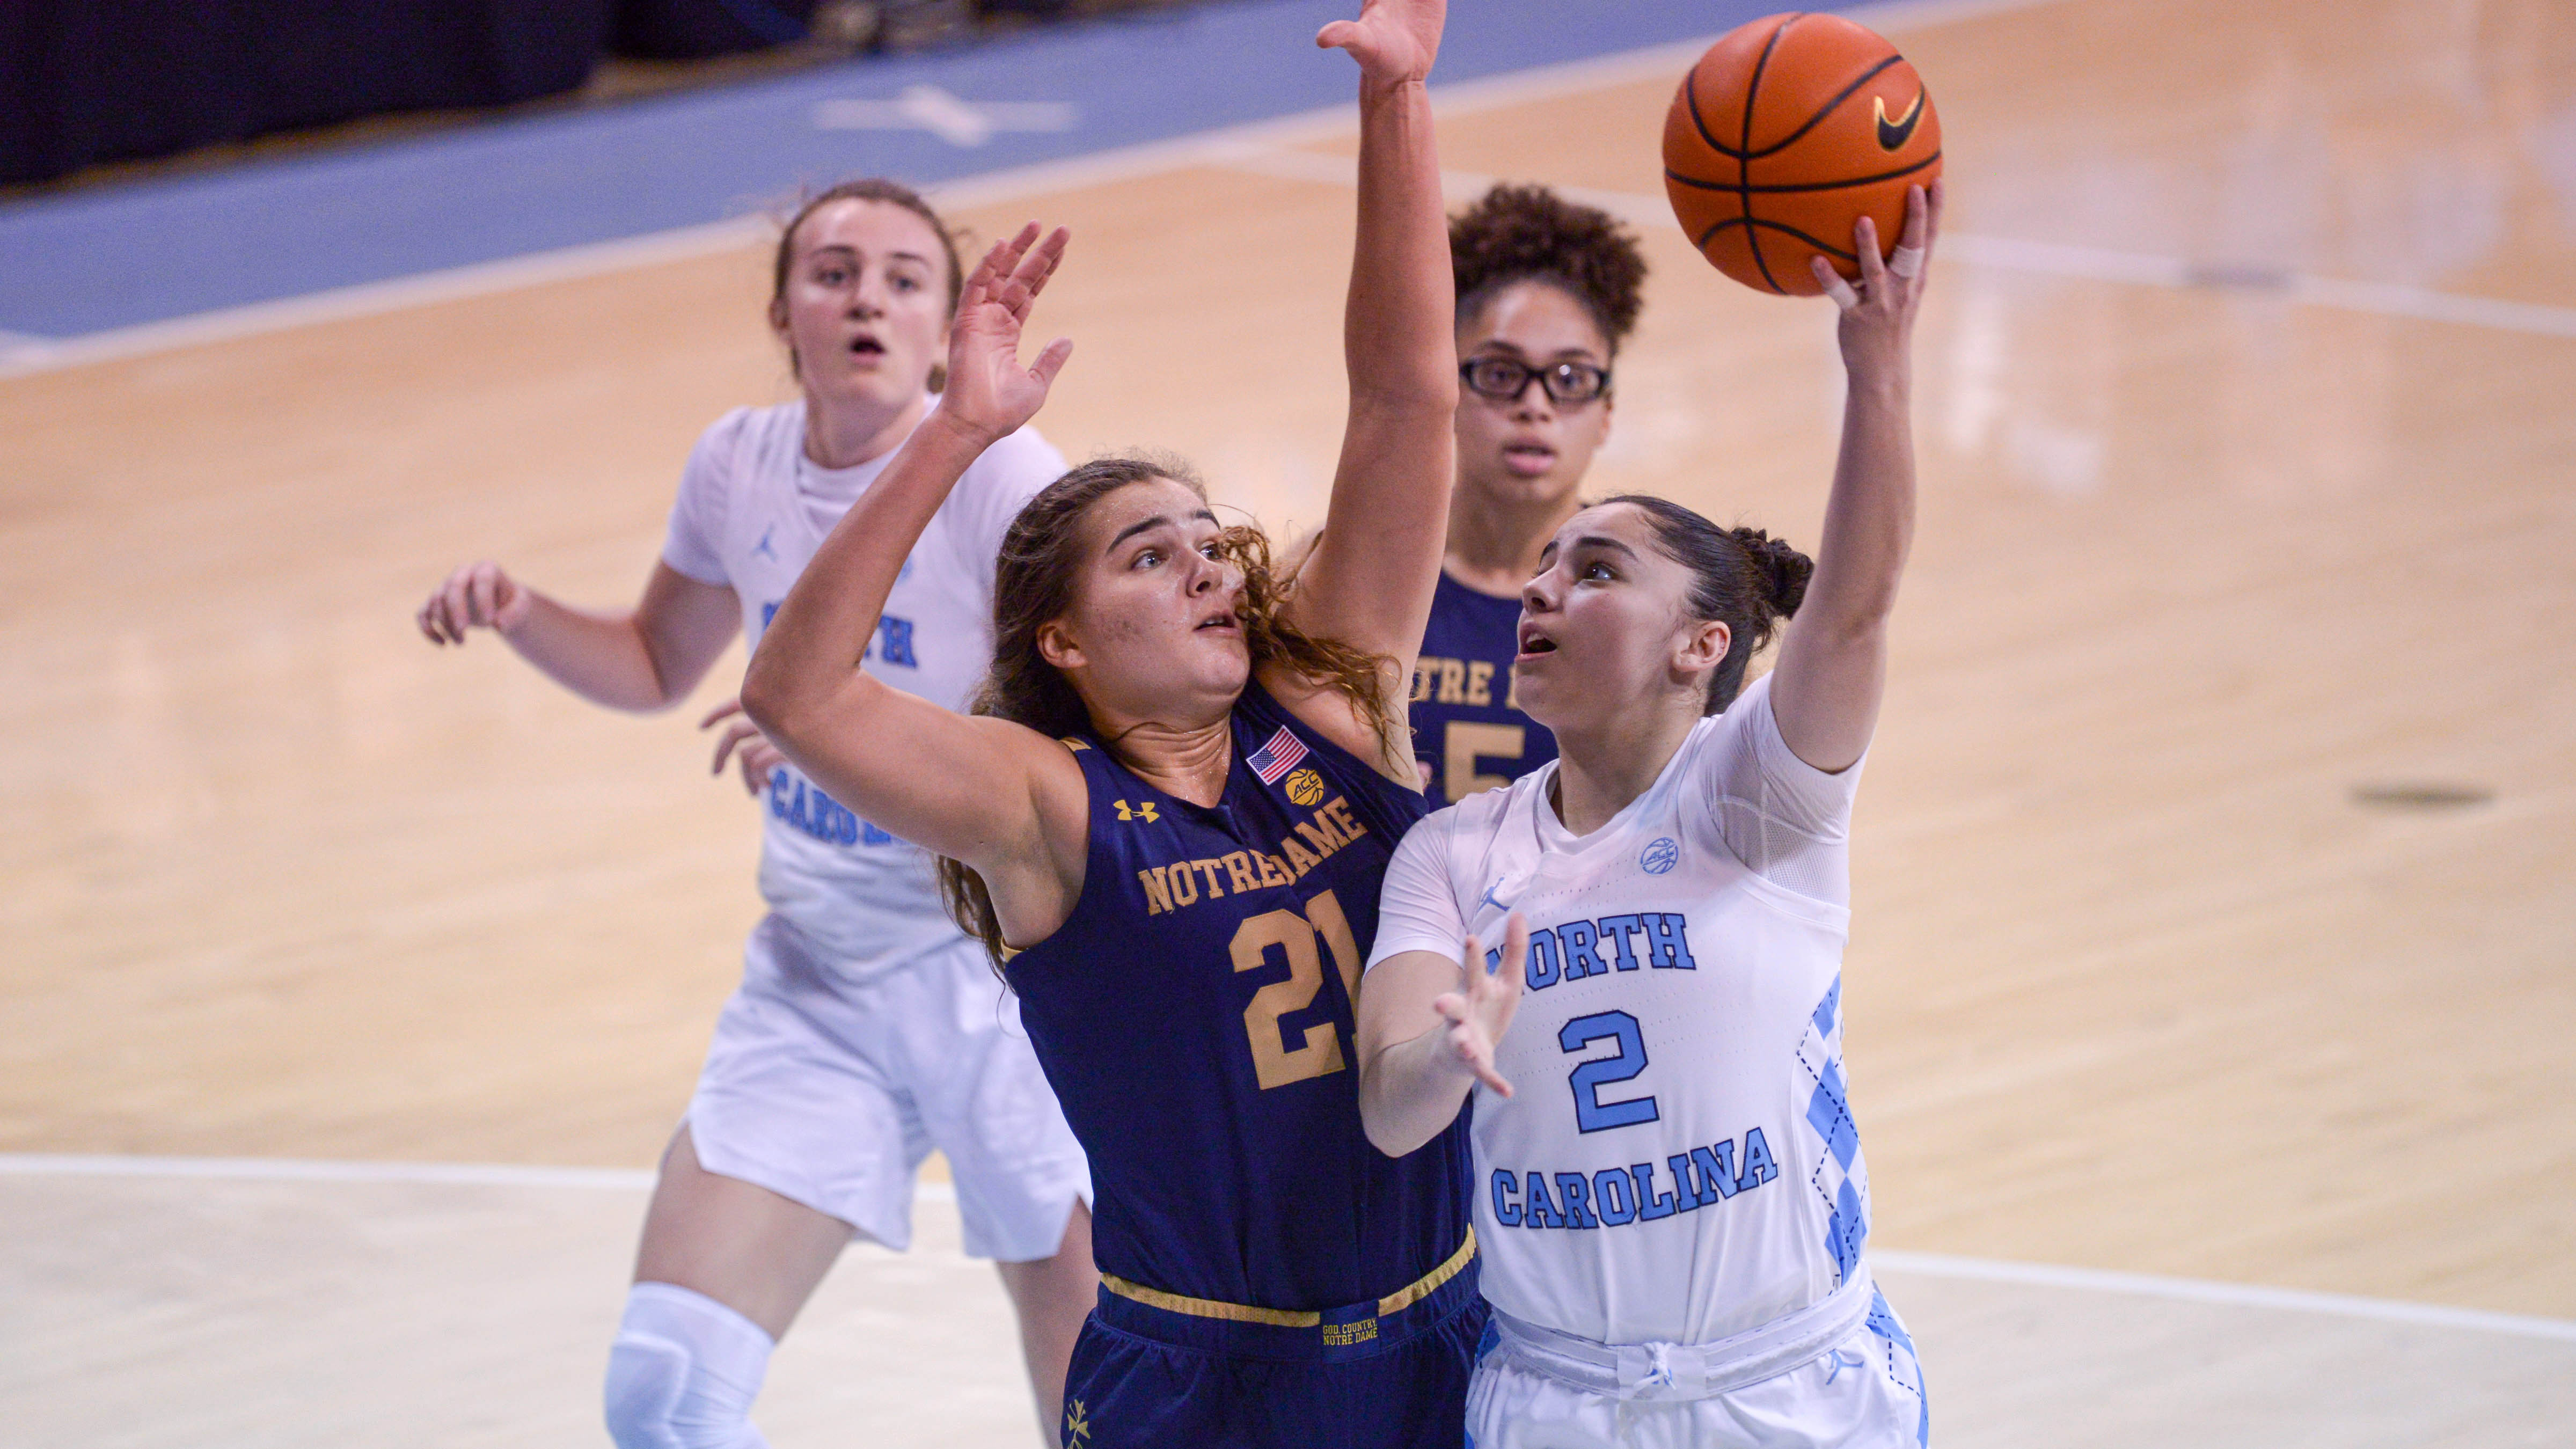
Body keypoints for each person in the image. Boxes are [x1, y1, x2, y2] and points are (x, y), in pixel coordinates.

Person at [737, 2, 1477, 1443]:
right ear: (1062, 640)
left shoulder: (1329, 704)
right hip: (1204, 1373)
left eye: (1207, 539)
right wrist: (953, 432)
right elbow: (796, 695)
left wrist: (1397, 105)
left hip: (1445, 1331)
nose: (1204, 564)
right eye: (1149, 554)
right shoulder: (1047, 805)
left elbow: (1403, 401)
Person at [413, 178, 1097, 1449]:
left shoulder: (1006, 475)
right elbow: (653, 662)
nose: (867, 298)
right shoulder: (738, 461)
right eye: (833, 272)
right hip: (822, 973)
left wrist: (851, 738)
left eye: (904, 278)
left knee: (1107, 1415)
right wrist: (520, 612)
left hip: (1011, 981)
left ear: (947, 327)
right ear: (783, 312)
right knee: (664, 1393)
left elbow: (1112, 727)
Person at [1354, 184, 1944, 1448]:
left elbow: (1852, 609)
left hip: (1791, 1391)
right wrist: (1445, 1057)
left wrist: (1877, 367)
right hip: (1555, 1397)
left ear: (1700, 645)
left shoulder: (1754, 796)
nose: (1544, 588)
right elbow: (1389, 1108)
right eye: (1545, 569)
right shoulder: (1451, 853)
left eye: (1597, 570)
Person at [1413, 184, 1648, 808]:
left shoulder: (1654, 603)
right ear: (1446, 385)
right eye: (1501, 373)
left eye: (1570, 378)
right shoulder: (1349, 569)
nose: (1535, 405)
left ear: (1606, 412)